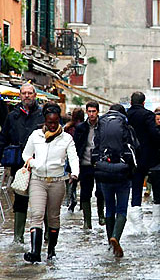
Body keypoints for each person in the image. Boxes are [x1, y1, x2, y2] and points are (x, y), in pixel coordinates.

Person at [22, 102, 79, 262]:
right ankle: (35, 252)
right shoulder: (35, 136)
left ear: (59, 121)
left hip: (57, 181)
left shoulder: (66, 138)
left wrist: (75, 173)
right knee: (37, 215)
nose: (53, 126)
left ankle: (51, 250)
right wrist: (33, 163)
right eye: (49, 122)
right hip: (37, 180)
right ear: (45, 121)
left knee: (53, 217)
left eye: (55, 122)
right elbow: (26, 155)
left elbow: (73, 157)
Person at [0, 83, 44, 243]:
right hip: (20, 165)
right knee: (19, 199)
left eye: (29, 93)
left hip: (40, 164)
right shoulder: (13, 116)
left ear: (35, 95)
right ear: (20, 96)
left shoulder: (42, 115)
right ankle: (18, 237)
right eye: (24, 93)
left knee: (42, 199)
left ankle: (43, 235)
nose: (26, 96)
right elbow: (3, 138)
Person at [93, 104, 137, 258]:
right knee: (122, 209)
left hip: (104, 172)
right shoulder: (127, 126)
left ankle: (109, 243)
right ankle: (116, 237)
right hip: (122, 173)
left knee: (109, 208)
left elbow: (95, 147)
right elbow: (133, 148)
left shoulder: (101, 124)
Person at [127, 92, 160, 233]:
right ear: (144, 103)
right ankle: (158, 221)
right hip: (150, 156)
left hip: (133, 157)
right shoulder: (147, 115)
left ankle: (137, 224)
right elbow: (154, 134)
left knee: (136, 187)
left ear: (131, 102)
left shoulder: (127, 115)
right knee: (157, 185)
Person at [72, 101, 106, 228]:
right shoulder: (81, 127)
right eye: (89, 111)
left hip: (100, 164)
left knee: (101, 191)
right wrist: (74, 168)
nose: (91, 114)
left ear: (97, 112)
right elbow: (75, 146)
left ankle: (101, 216)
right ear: (86, 112)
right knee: (86, 192)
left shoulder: (103, 126)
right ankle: (87, 221)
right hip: (85, 164)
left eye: (94, 111)